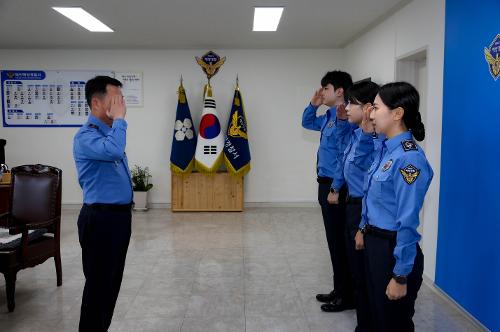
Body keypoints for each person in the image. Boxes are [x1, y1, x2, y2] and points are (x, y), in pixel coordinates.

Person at [358, 82, 433, 332]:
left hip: (393, 249)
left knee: (392, 323)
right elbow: (371, 196)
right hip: (375, 243)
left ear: (397, 113)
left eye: (376, 108)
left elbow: (407, 221)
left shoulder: (408, 158)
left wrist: (400, 275)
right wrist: (362, 228)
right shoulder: (385, 148)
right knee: (373, 315)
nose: (370, 113)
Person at [73, 76, 133, 332]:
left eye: (121, 99)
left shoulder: (110, 134)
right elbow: (114, 152)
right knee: (98, 287)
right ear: (96, 102)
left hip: (118, 218)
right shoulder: (85, 136)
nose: (121, 104)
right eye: (115, 99)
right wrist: (119, 120)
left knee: (111, 285)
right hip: (100, 220)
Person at [301, 70, 355, 312]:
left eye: (325, 89)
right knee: (334, 242)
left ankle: (347, 295)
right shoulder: (328, 116)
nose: (322, 92)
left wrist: (335, 187)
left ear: (339, 91)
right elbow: (307, 122)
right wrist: (312, 105)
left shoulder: (348, 119)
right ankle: (339, 289)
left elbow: (345, 156)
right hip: (325, 184)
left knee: (341, 242)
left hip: (337, 187)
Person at [330, 81, 381, 331]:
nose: (347, 107)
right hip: (353, 205)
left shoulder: (374, 139)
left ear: (369, 107)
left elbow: (363, 166)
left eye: (352, 103)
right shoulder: (357, 133)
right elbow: (343, 158)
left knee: (364, 274)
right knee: (357, 271)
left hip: (363, 208)